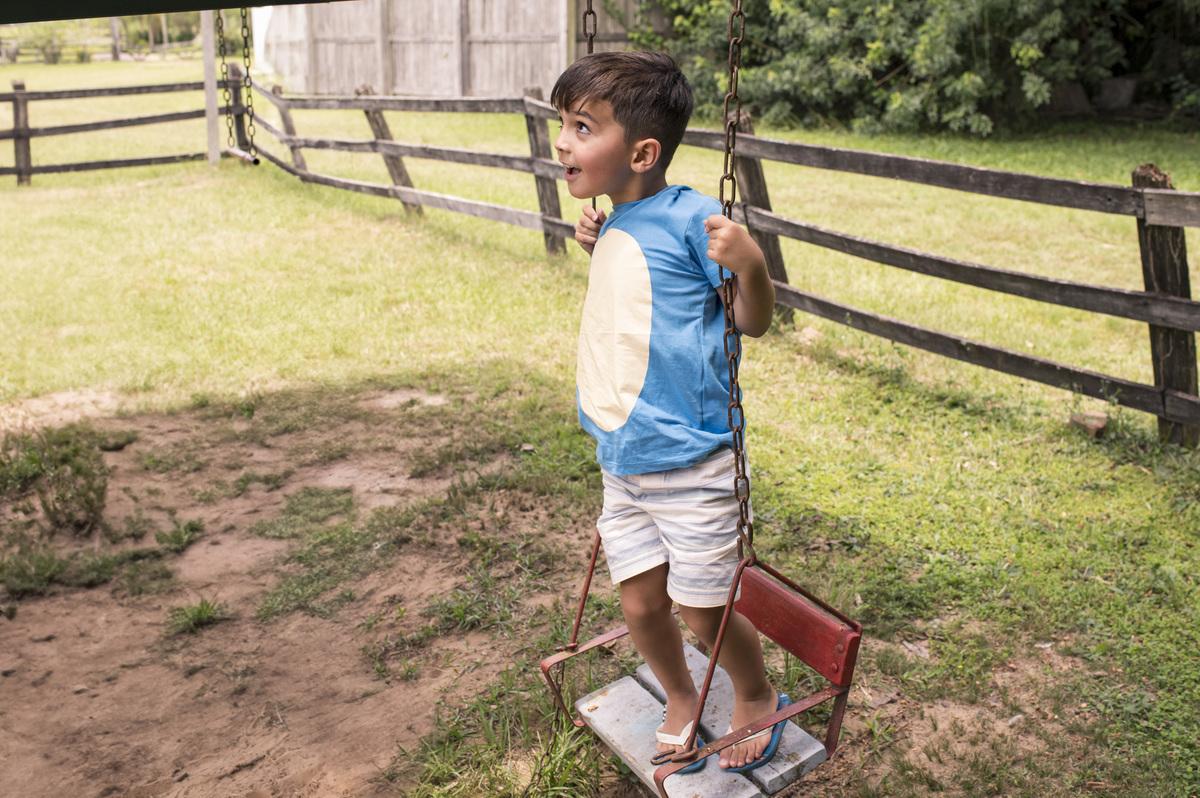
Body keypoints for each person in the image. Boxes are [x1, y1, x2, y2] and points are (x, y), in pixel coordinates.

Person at [551, 50, 787, 774]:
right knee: (642, 607)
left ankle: (753, 692)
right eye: (563, 123)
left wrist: (749, 264)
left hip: (691, 462)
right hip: (623, 461)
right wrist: (604, 240)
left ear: (642, 152)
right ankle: (681, 696)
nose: (562, 141)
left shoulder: (694, 217)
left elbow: (750, 322)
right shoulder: (619, 218)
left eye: (582, 127)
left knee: (704, 608)